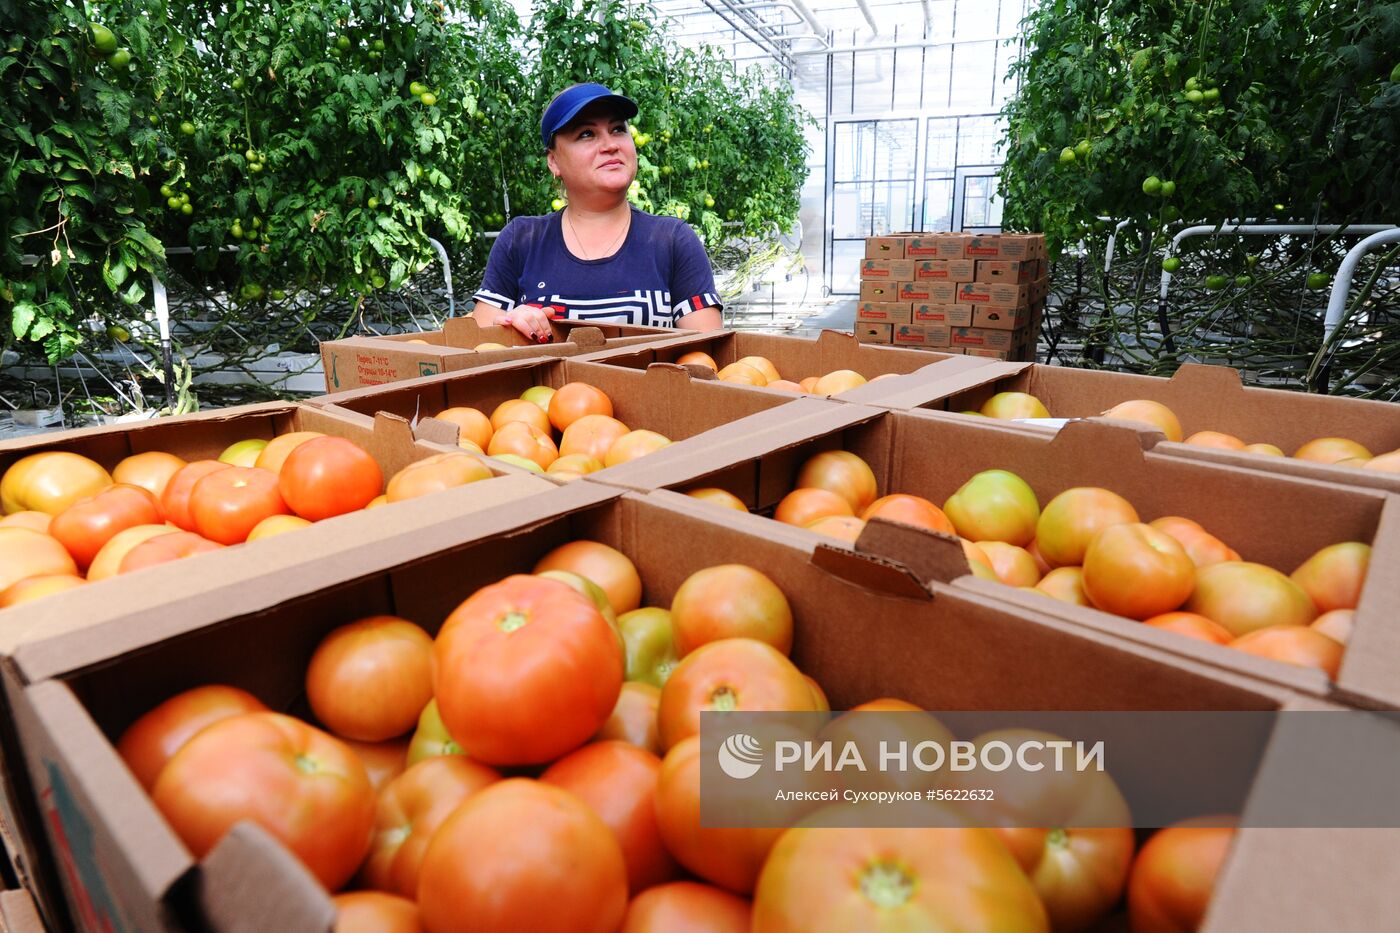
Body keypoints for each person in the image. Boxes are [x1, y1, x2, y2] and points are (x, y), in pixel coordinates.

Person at [469, 83, 724, 341]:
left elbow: (708, 357)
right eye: (586, 134)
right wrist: (511, 323)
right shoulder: (522, 240)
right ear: (554, 161)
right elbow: (475, 348)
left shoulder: (671, 240)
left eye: (618, 129)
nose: (610, 145)